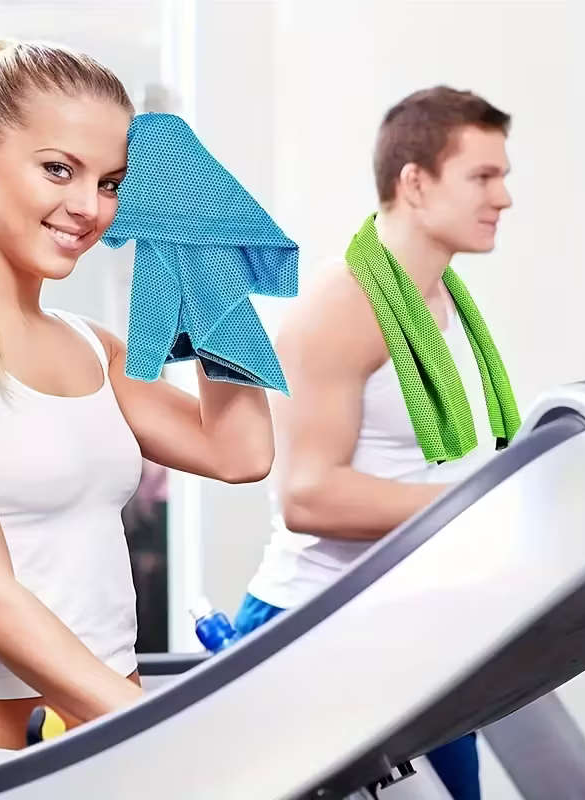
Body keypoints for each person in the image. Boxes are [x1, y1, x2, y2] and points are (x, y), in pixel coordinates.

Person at [0, 39, 274, 786]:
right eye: (58, 169)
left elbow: (240, 452)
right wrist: (168, 732)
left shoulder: (92, 348)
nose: (89, 207)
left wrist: (205, 251)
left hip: (112, 756)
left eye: (110, 182)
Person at [238, 86, 519, 800]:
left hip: (411, 626)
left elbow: (430, 464)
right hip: (317, 630)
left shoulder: (441, 298)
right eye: (483, 177)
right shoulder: (343, 305)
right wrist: (488, 503)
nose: (504, 197)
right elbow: (307, 496)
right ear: (415, 183)